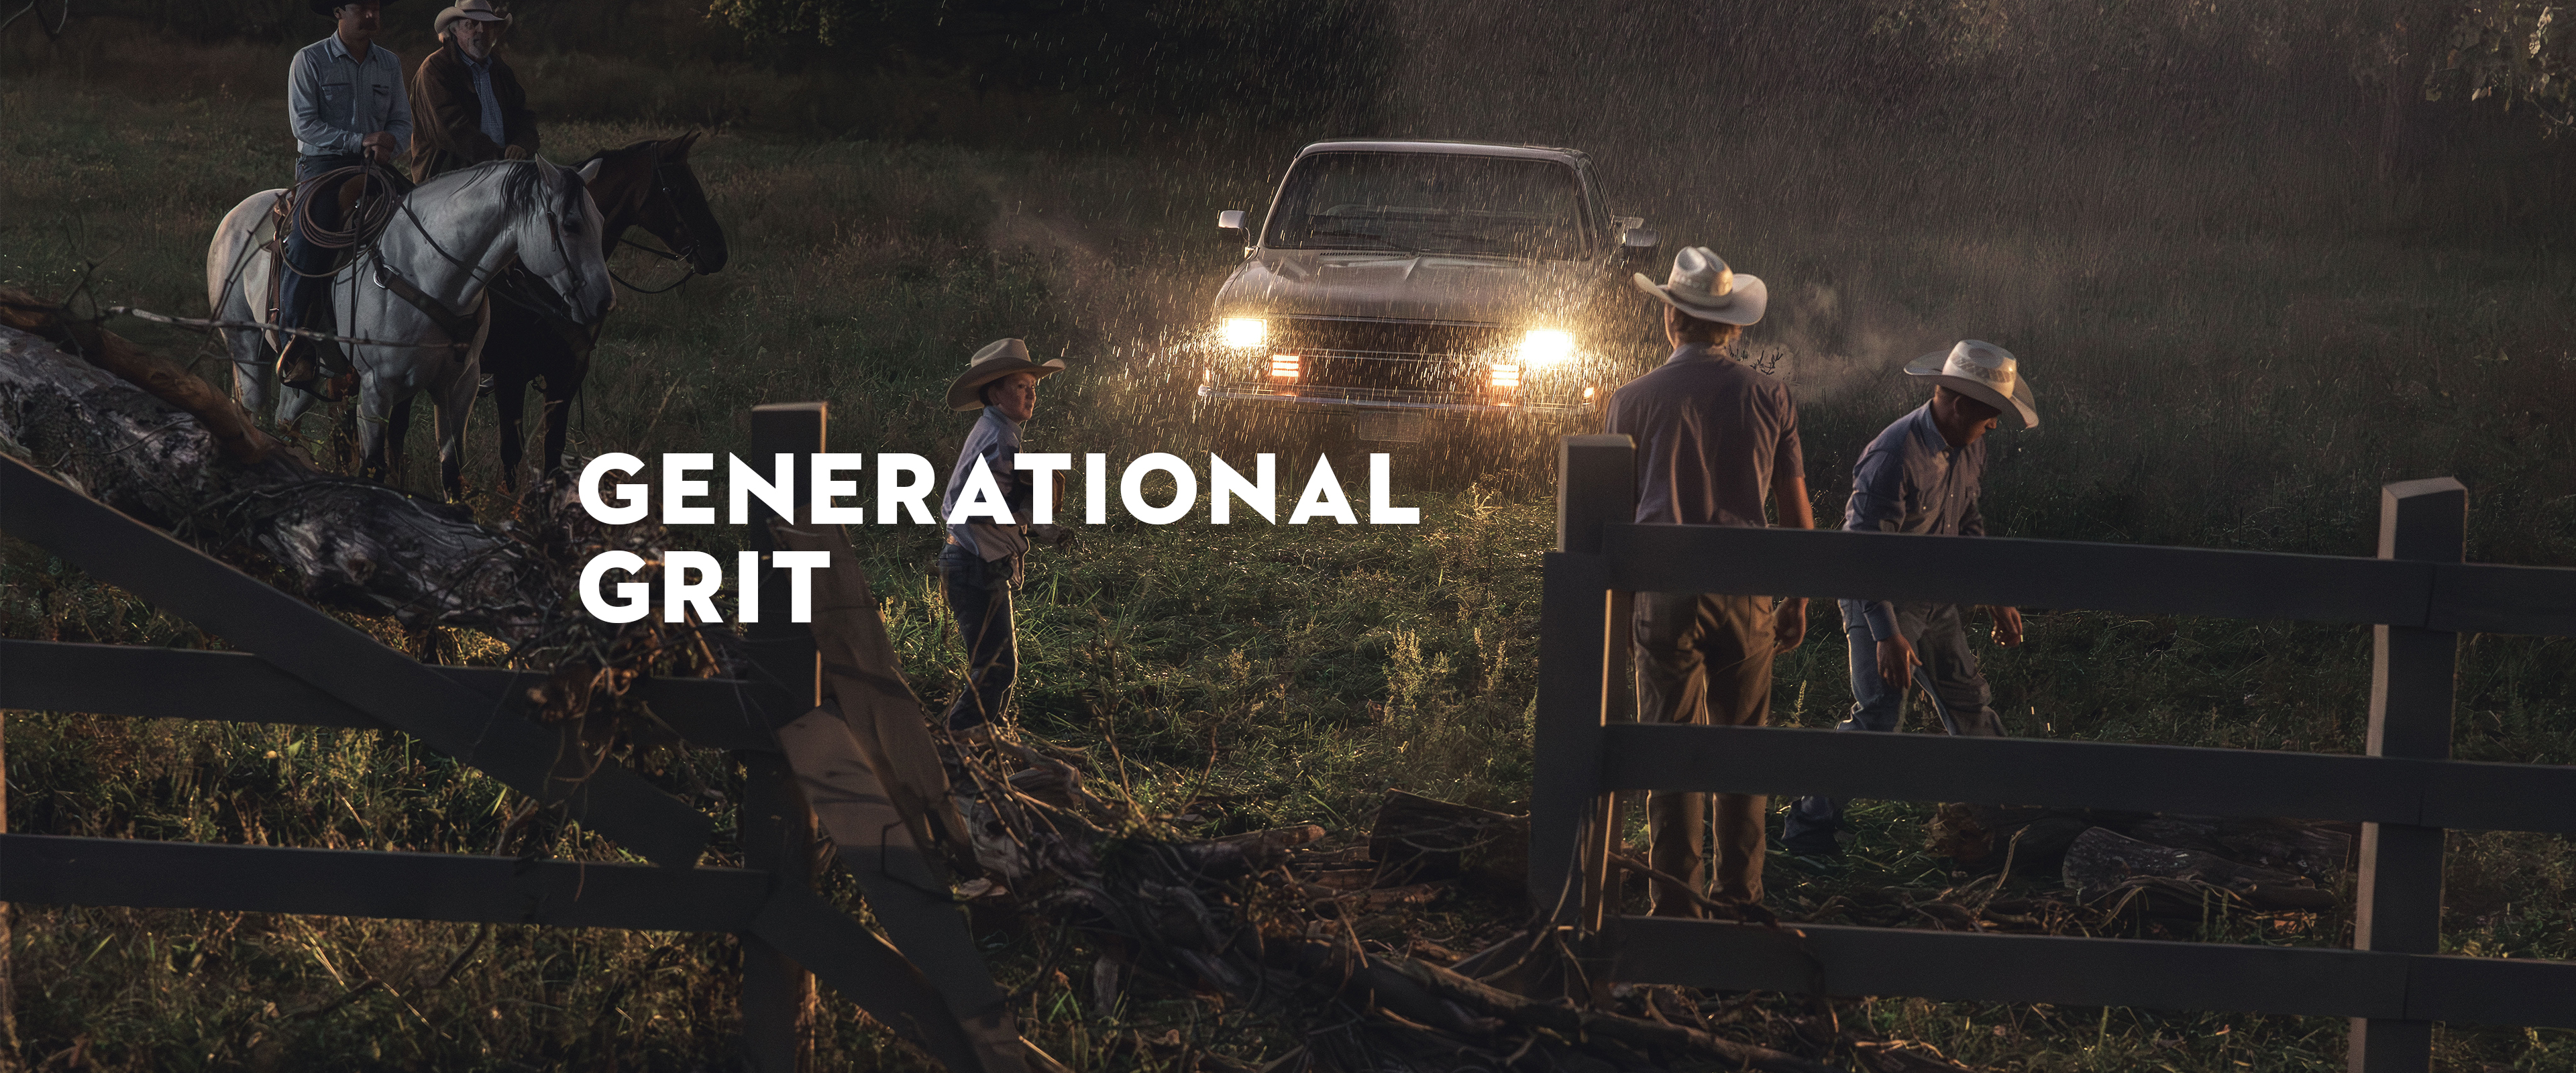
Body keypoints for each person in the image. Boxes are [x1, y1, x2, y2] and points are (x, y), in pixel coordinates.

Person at [1605, 247, 1813, 918]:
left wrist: (1619, 608)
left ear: (1672, 319)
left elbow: (1613, 516)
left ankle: (1675, 900)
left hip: (1664, 590)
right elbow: (1796, 512)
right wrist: (1796, 595)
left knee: (1669, 742)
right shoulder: (1769, 395)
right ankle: (1740, 897)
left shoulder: (1631, 401)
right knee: (1741, 746)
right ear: (1733, 326)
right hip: (1744, 591)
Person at [1781, 339, 2039, 858]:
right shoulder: (1894, 454)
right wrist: (1887, 634)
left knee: (1969, 702)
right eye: (1990, 415)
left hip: (1936, 598)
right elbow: (1863, 554)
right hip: (1879, 599)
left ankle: (2002, 822)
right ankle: (1808, 828)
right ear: (1961, 404)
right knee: (1880, 715)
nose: (1994, 427)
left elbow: (1967, 522)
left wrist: (1995, 594)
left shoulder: (1971, 446)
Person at [276, 0, 412, 395]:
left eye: (376, 8)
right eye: (361, 8)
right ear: (338, 12)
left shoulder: (389, 63)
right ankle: (296, 344)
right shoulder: (310, 60)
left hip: (375, 167)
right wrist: (358, 140)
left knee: (424, 221)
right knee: (305, 240)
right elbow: (304, 124)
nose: (371, 15)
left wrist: (391, 142)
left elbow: (402, 121)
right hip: (323, 168)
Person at [937, 339, 1071, 736]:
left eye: (1034, 387)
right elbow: (972, 505)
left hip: (971, 561)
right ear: (995, 392)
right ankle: (959, 751)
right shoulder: (999, 439)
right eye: (1020, 387)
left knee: (993, 667)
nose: (1031, 395)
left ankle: (977, 749)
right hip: (975, 565)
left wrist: (1042, 520)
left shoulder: (997, 431)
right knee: (996, 670)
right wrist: (1037, 514)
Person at [409, 0, 539, 184]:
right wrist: (502, 159)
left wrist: (522, 145)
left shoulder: (500, 70)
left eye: (487, 25)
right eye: (470, 24)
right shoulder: (434, 70)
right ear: (454, 30)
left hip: (499, 177)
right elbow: (453, 129)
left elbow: (524, 115)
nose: (481, 30)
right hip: (447, 183)